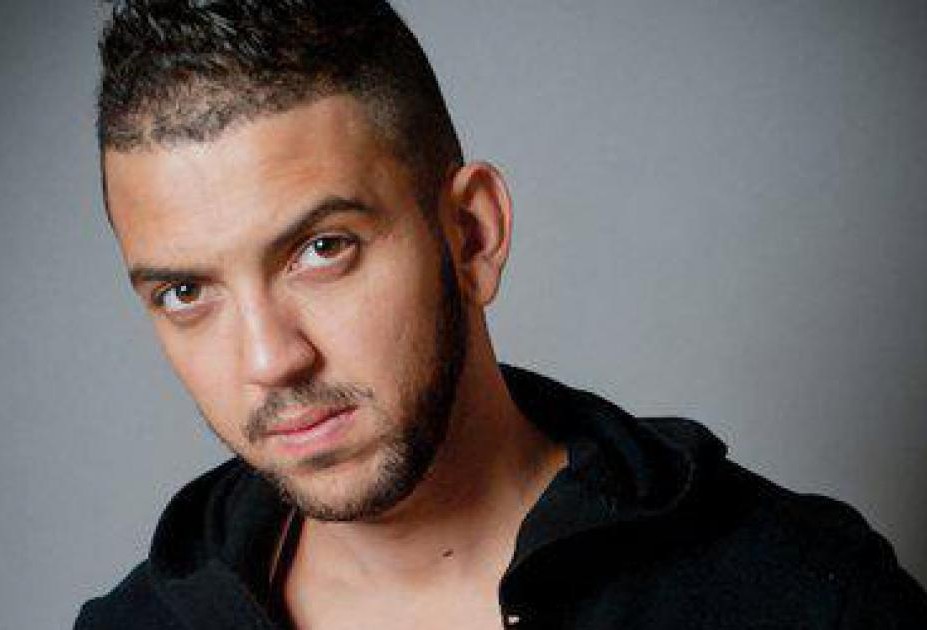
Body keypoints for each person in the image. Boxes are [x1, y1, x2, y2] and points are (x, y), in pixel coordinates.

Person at [76, 1, 927, 628]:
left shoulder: (795, 595)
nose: (269, 360)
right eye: (186, 292)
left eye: (322, 249)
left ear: (471, 235)